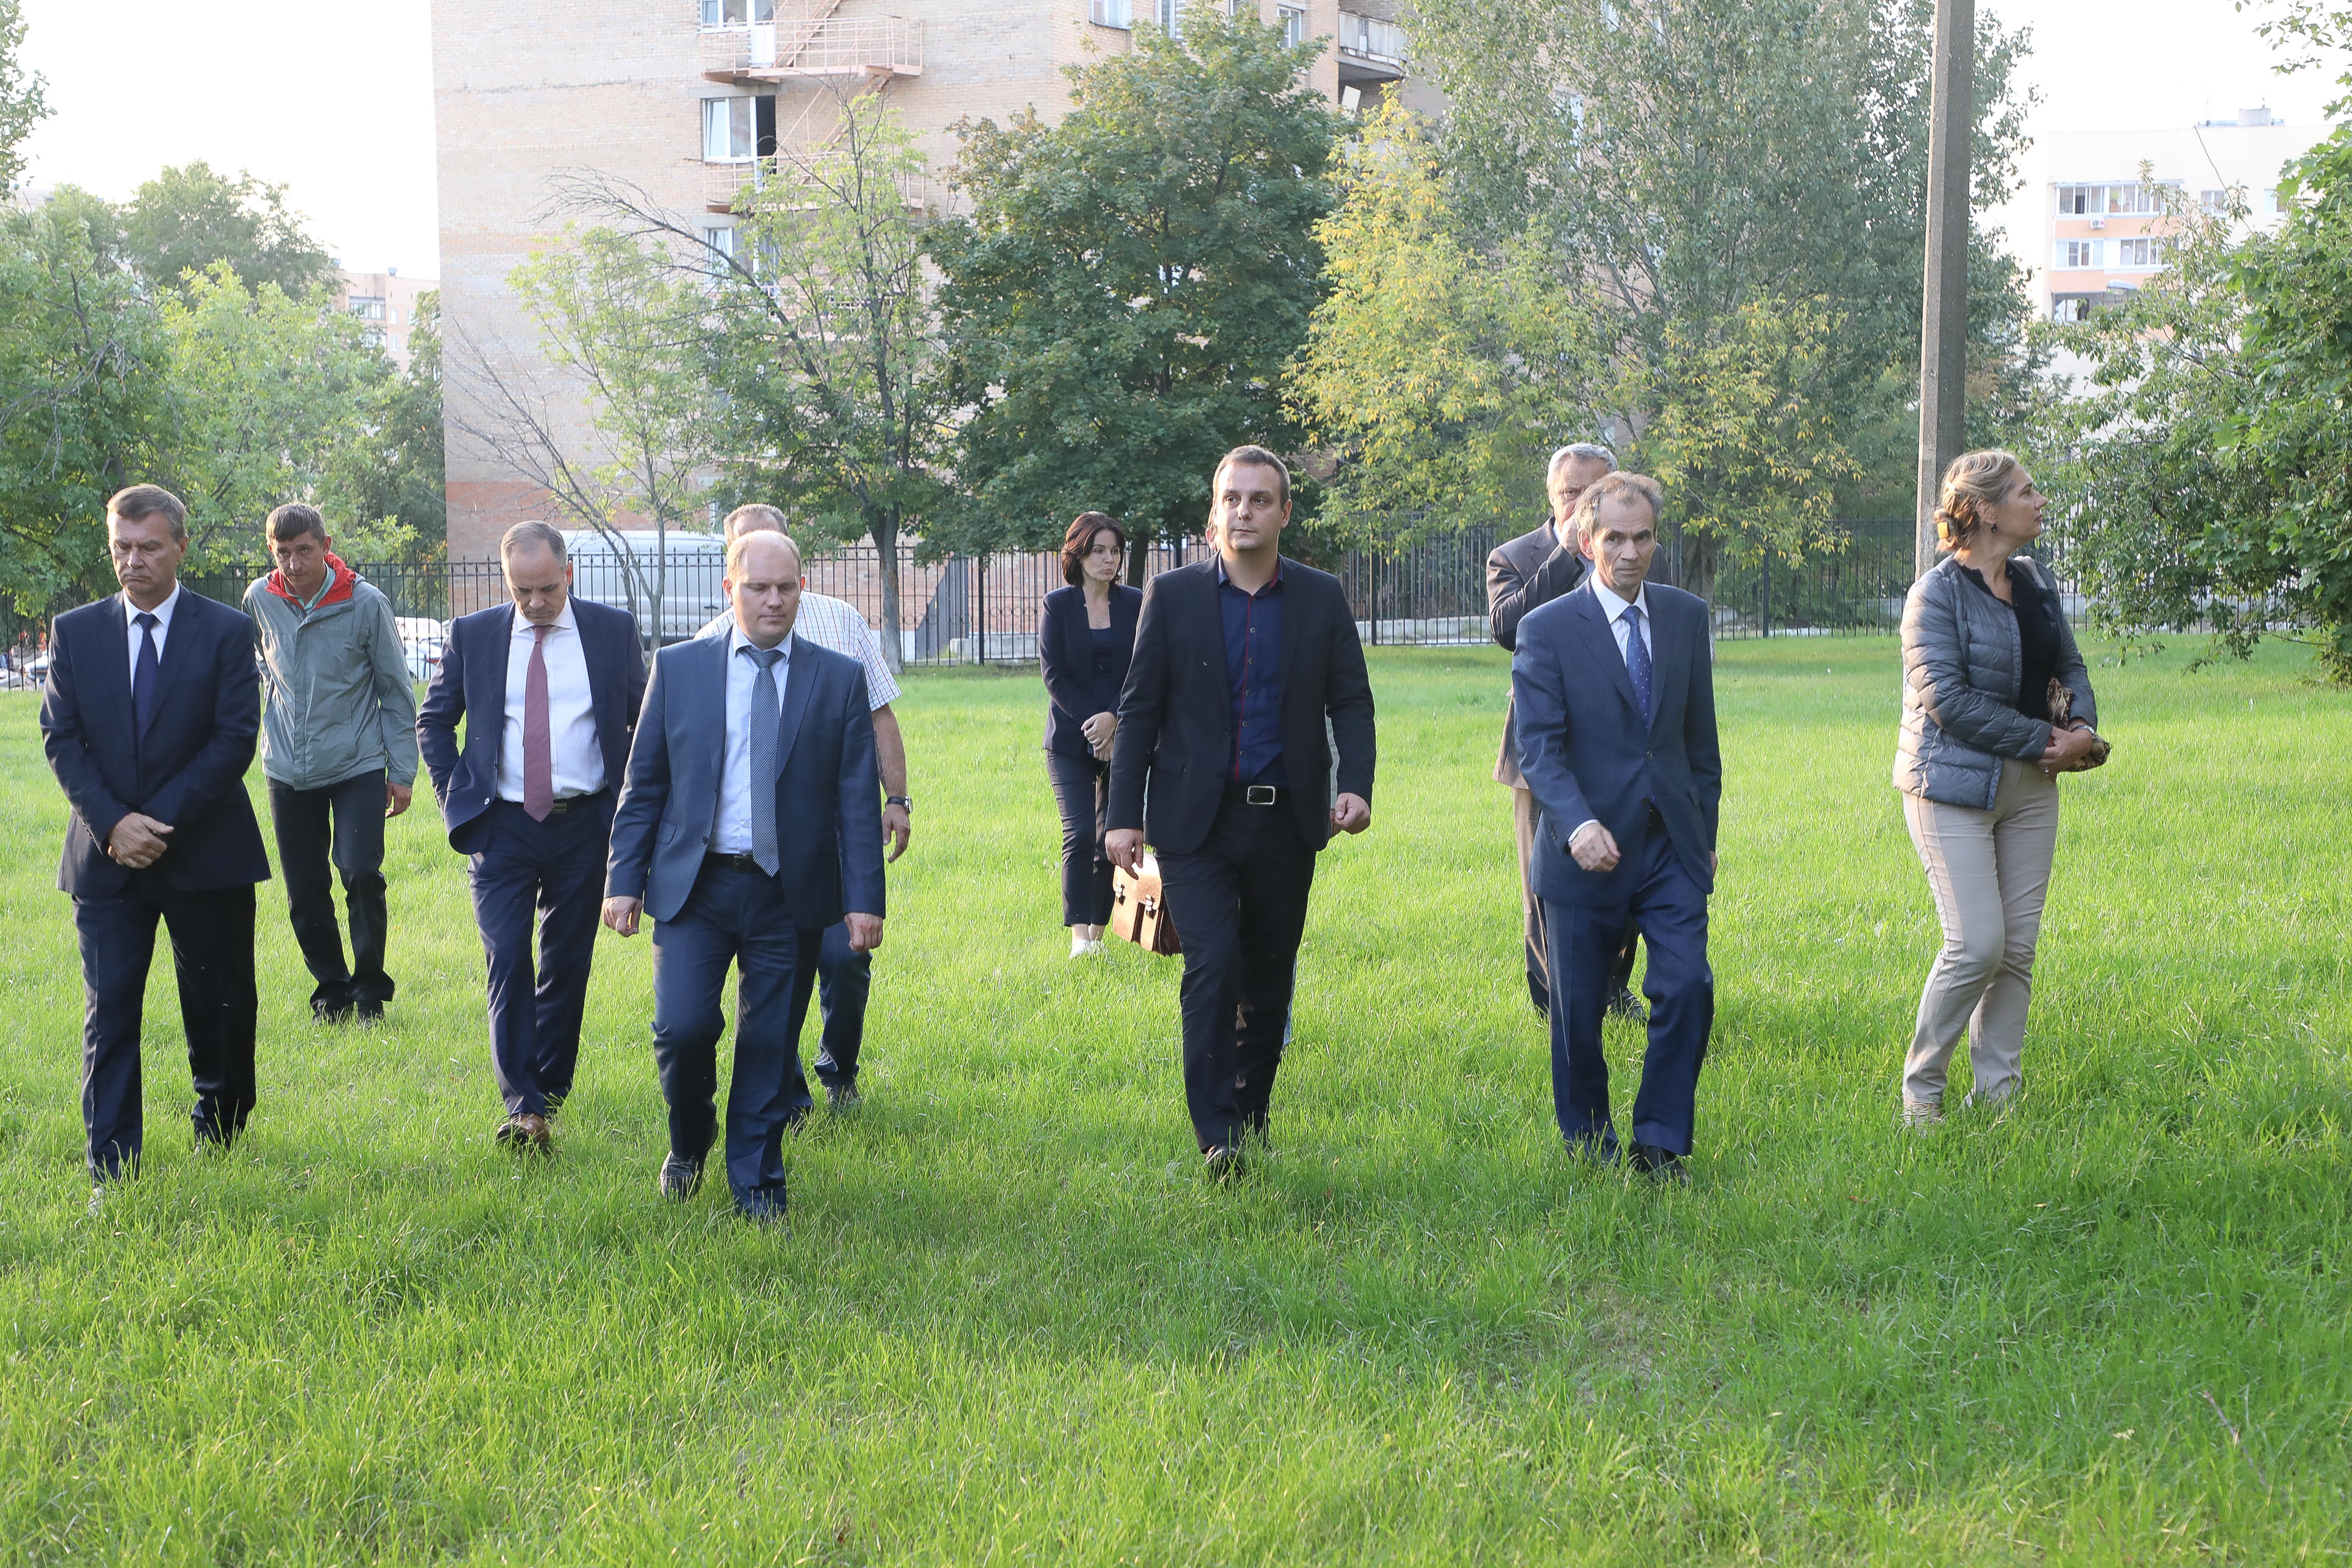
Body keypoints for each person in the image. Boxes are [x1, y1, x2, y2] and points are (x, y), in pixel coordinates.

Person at [1106, 446, 1376, 1179]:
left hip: (1287, 820)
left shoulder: (1320, 597)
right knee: (1213, 963)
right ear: (1214, 512)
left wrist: (1355, 784)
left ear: (1284, 512)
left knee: (1268, 976)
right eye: (1232, 498)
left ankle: (1251, 1115)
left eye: (1260, 499)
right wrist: (1121, 814)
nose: (1244, 511)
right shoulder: (1173, 596)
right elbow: (1138, 709)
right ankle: (1217, 1132)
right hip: (1195, 822)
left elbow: (1350, 700)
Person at [603, 530, 887, 1221]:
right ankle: (689, 1140)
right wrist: (623, 878)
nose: (773, 600)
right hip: (695, 887)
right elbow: (644, 784)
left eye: (786, 587)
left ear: (801, 589)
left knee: (768, 1043)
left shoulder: (836, 677)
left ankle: (758, 1185)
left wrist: (863, 900)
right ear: (729, 589)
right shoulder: (680, 668)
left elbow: (855, 798)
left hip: (789, 892)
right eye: (758, 587)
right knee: (681, 1029)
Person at [39, 485, 272, 1200]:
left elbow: (233, 738)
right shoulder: (75, 632)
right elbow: (61, 738)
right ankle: (111, 1166)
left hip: (206, 851)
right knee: (109, 1014)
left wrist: (155, 822)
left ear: (180, 547)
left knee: (220, 1005)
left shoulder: (227, 631)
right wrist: (114, 824)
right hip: (106, 859)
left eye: (147, 547)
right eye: (121, 548)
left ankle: (220, 1128)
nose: (132, 561)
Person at [1511, 472, 1721, 1182]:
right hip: (1582, 849)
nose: (1629, 553)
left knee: (1687, 986)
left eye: (1642, 538)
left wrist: (1706, 834)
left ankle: (1659, 1143)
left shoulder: (1685, 616)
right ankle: (1589, 1142)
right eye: (1613, 539)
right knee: (1577, 1012)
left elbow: (1700, 744)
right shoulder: (1546, 628)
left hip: (1670, 845)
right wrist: (1575, 825)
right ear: (1585, 540)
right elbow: (1539, 748)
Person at [417, 521, 644, 1153]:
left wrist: (634, 817)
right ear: (507, 582)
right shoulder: (474, 635)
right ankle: (523, 1107)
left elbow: (645, 721)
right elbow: (434, 721)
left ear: (568, 574)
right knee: (508, 957)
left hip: (585, 825)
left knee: (567, 963)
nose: (537, 602)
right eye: (523, 591)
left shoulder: (611, 632)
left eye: (548, 588)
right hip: (503, 826)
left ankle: (550, 1088)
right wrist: (455, 799)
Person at [1894, 450, 2103, 1126]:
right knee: (1977, 944)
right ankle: (1922, 1093)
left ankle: (1998, 1098)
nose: (2040, 501)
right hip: (1950, 785)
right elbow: (1948, 701)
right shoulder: (1934, 596)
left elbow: (2069, 662)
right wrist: (2047, 740)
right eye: (2026, 491)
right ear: (1985, 510)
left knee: (2015, 951)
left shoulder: (2035, 578)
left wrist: (2083, 728)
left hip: (2032, 787)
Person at [698, 503, 907, 1110]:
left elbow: (880, 714)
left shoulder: (840, 621)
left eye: (778, 568)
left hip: (832, 831)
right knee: (770, 969)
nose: (770, 592)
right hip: (756, 842)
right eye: (749, 562)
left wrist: (896, 798)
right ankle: (784, 1091)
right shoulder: (709, 644)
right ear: (731, 571)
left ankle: (839, 1067)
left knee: (845, 957)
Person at [1488, 442, 1647, 1024]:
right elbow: (1507, 628)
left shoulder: (1635, 549)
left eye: (1592, 491)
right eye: (1569, 493)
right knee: (1545, 883)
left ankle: (1611, 987)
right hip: (1542, 750)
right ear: (1552, 496)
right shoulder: (1513, 557)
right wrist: (1564, 552)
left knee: (1628, 869)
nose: (1580, 502)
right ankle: (1554, 999)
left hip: (1626, 745)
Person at [244, 503, 419, 1024]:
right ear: (271, 551)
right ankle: (332, 991)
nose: (294, 564)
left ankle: (369, 993)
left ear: (326, 546)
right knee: (304, 891)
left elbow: (396, 691)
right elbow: (258, 671)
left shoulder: (365, 604)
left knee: (360, 872)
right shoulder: (259, 599)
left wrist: (401, 772)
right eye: (283, 553)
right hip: (286, 769)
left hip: (356, 763)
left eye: (304, 551)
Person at [1039, 512, 1143, 957]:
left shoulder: (1136, 603)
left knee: (1109, 837)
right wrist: (1094, 723)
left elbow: (1144, 668)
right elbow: (1053, 674)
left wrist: (1114, 719)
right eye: (1098, 551)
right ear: (1078, 555)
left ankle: (1097, 935)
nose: (1108, 560)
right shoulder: (1057, 605)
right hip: (1068, 739)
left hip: (1124, 737)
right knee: (1080, 833)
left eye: (1114, 551)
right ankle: (1078, 938)